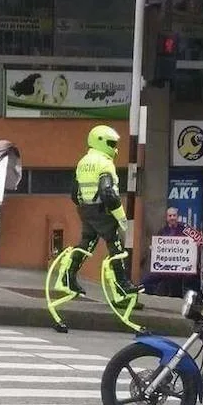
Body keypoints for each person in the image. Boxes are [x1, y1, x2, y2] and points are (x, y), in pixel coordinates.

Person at [63, 125, 141, 298]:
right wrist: (121, 217)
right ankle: (122, 285)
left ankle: (68, 276)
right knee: (116, 244)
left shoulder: (83, 162)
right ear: (100, 142)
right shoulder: (104, 163)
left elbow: (74, 193)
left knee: (87, 243)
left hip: (85, 209)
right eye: (112, 144)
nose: (115, 148)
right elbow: (108, 193)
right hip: (102, 210)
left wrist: (85, 206)